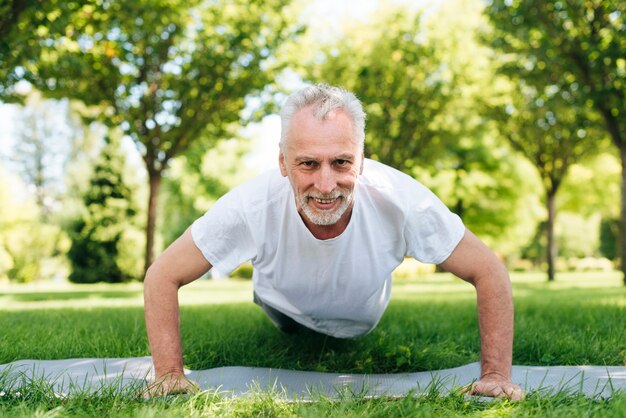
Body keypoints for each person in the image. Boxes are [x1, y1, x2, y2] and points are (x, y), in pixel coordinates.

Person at [143, 83, 524, 400]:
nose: (325, 185)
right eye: (308, 163)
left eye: (341, 162)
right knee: (290, 330)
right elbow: (162, 275)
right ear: (282, 162)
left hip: (361, 317)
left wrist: (495, 375)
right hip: (281, 305)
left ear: (361, 159)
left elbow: (488, 269)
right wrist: (168, 373)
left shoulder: (404, 200)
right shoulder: (250, 205)